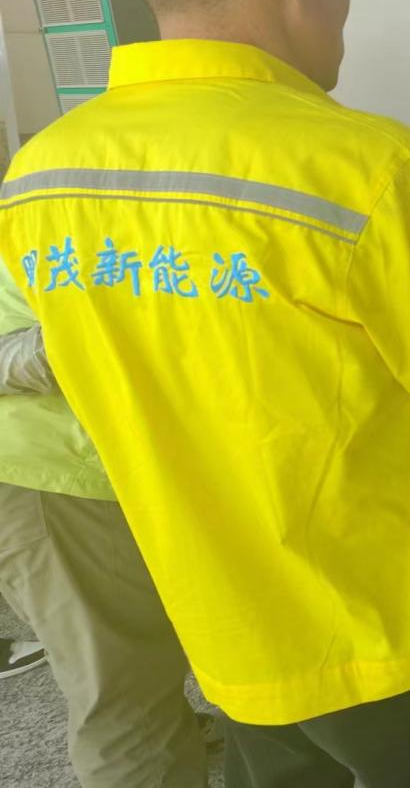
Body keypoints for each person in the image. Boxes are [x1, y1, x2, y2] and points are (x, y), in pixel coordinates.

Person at [1, 0, 410, 784]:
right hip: (402, 624)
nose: (345, 3)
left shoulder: (43, 172)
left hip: (228, 628)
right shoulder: (375, 169)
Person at [0, 277, 209, 786]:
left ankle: (168, 739)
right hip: (51, 471)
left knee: (141, 656)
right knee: (123, 692)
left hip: (101, 461)